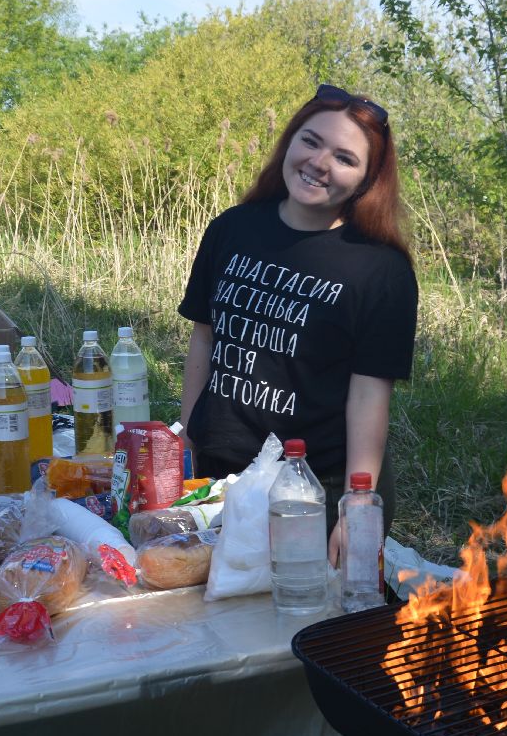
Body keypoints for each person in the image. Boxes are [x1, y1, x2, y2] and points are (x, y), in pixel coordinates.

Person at [177, 83, 417, 567]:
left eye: (345, 158)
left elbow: (370, 394)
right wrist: (185, 437)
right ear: (289, 142)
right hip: (218, 474)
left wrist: (358, 504)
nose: (320, 163)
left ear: (369, 179)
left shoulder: (380, 271)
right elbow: (204, 338)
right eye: (310, 141)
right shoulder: (233, 228)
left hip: (312, 488)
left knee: (298, 627)